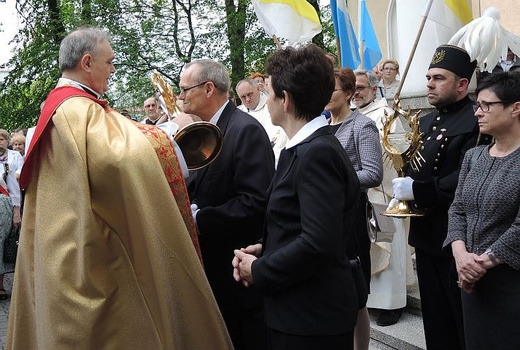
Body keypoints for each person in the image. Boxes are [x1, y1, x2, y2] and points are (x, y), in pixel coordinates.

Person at [6, 26, 232, 349]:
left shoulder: (69, 107)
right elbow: (121, 159)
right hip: (84, 256)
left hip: (67, 244)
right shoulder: (74, 110)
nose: (113, 69)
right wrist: (173, 133)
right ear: (87, 63)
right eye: (109, 62)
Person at [233, 44, 360, 350]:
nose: (267, 102)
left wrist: (259, 270)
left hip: (312, 317)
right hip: (299, 311)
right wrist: (268, 247)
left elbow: (319, 243)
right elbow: (302, 222)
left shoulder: (317, 153)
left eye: (270, 94)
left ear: (285, 100)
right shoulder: (304, 147)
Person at [391, 44, 492, 349]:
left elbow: (468, 176)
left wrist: (419, 190)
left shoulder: (475, 122)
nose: (429, 84)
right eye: (428, 77)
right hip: (425, 235)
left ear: (462, 84)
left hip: (458, 239)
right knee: (436, 324)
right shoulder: (423, 122)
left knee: (462, 324)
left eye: (438, 78)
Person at [180, 59, 274, 350]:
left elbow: (255, 203)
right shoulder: (206, 130)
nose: (180, 96)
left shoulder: (244, 130)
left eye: (185, 89)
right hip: (213, 272)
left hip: (237, 274)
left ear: (208, 89)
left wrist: (200, 218)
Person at [444, 71, 520, 350]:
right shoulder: (473, 156)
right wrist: (461, 256)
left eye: (486, 105)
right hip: (471, 282)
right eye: (477, 105)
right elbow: (457, 210)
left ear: (515, 108)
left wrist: (480, 264)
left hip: (510, 281)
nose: (477, 112)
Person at [325, 67, 383, 350]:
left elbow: (373, 173)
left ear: (348, 93)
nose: (326, 94)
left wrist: (331, 182)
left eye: (332, 89)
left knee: (357, 294)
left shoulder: (362, 125)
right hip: (328, 216)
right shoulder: (322, 125)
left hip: (352, 217)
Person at [353, 69, 412, 327]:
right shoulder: (353, 115)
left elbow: (398, 150)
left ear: (374, 90)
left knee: (388, 245)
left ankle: (393, 303)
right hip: (361, 195)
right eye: (353, 88)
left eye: (361, 88)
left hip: (383, 194)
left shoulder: (385, 114)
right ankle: (373, 300)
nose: (356, 92)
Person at [236, 79, 287, 165]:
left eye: (250, 94)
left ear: (258, 89)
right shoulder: (237, 113)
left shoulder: (273, 108)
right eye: (243, 97)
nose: (248, 99)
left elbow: (280, 138)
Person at [0, 129, 21, 301]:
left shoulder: (7, 164)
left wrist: (16, 212)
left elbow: (14, 190)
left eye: (2, 139)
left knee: (0, 245)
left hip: (3, 207)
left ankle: (0, 285)